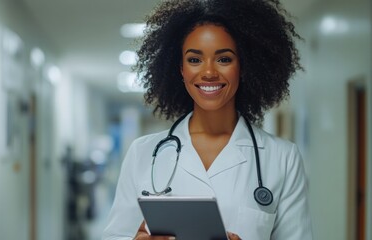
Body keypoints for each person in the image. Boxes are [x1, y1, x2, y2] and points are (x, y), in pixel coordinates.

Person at [103, 0, 313, 239]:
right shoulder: (143, 152)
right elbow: (115, 235)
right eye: (194, 60)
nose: (209, 72)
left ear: (244, 66)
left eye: (224, 59)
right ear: (181, 69)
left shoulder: (283, 158)